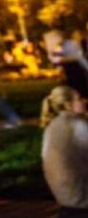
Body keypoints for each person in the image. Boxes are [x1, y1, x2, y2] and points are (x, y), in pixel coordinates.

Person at [41, 86, 88, 217]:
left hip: (63, 196)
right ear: (68, 105)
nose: (84, 101)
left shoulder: (52, 126)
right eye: (79, 99)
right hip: (81, 197)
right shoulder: (77, 125)